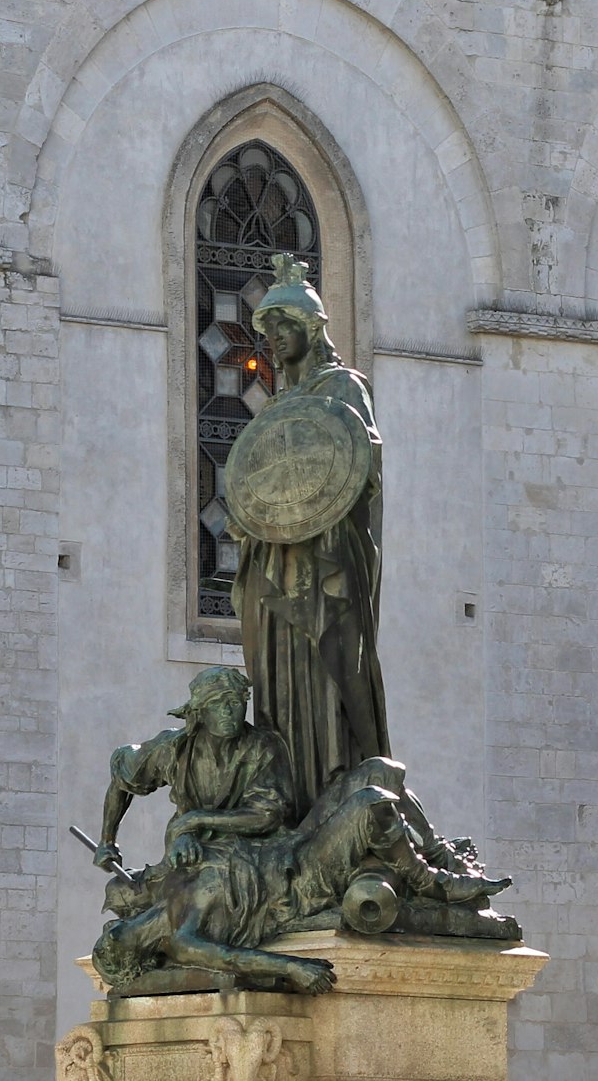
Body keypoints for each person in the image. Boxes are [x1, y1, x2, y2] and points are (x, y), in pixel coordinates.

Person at [90, 667, 509, 993]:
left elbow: (122, 769)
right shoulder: (183, 940)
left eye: (237, 702)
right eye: (220, 704)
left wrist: (110, 839)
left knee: (383, 771)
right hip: (291, 879)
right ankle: (434, 882)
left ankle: (438, 856)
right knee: (371, 803)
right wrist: (294, 967)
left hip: (283, 846)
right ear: (199, 712)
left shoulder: (162, 881)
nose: (232, 711)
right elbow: (234, 959)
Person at [228, 255, 389, 820]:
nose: (273, 342)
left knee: (328, 665)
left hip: (325, 559)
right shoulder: (275, 407)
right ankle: (284, 795)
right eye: (268, 333)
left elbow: (360, 461)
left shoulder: (343, 387)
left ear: (312, 329)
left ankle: (336, 777)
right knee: (276, 668)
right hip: (277, 556)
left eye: (283, 329)